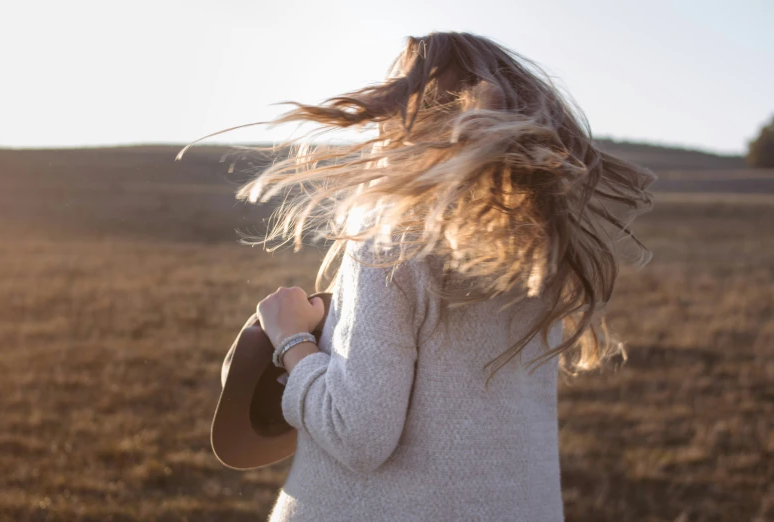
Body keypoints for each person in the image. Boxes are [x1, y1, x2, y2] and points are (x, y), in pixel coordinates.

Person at [185, 31, 655, 521]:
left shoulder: (394, 243)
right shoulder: (537, 258)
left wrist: (291, 339)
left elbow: (358, 433)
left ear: (410, 112)